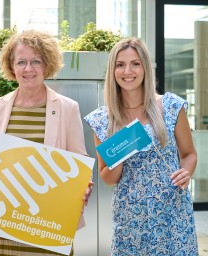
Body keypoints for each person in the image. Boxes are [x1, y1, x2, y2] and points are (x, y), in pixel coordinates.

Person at [0, 29, 94, 256]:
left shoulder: (68, 108)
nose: (28, 69)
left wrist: (83, 185)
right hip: (6, 223)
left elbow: (80, 161)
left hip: (50, 226)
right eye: (21, 62)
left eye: (35, 61)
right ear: (11, 66)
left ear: (47, 65)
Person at [85, 37, 198, 255]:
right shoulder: (103, 120)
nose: (128, 71)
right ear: (113, 70)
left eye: (135, 63)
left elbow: (189, 154)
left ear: (145, 67)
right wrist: (120, 148)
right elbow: (108, 178)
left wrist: (186, 172)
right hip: (131, 222)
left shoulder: (171, 106)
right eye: (120, 64)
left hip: (173, 216)